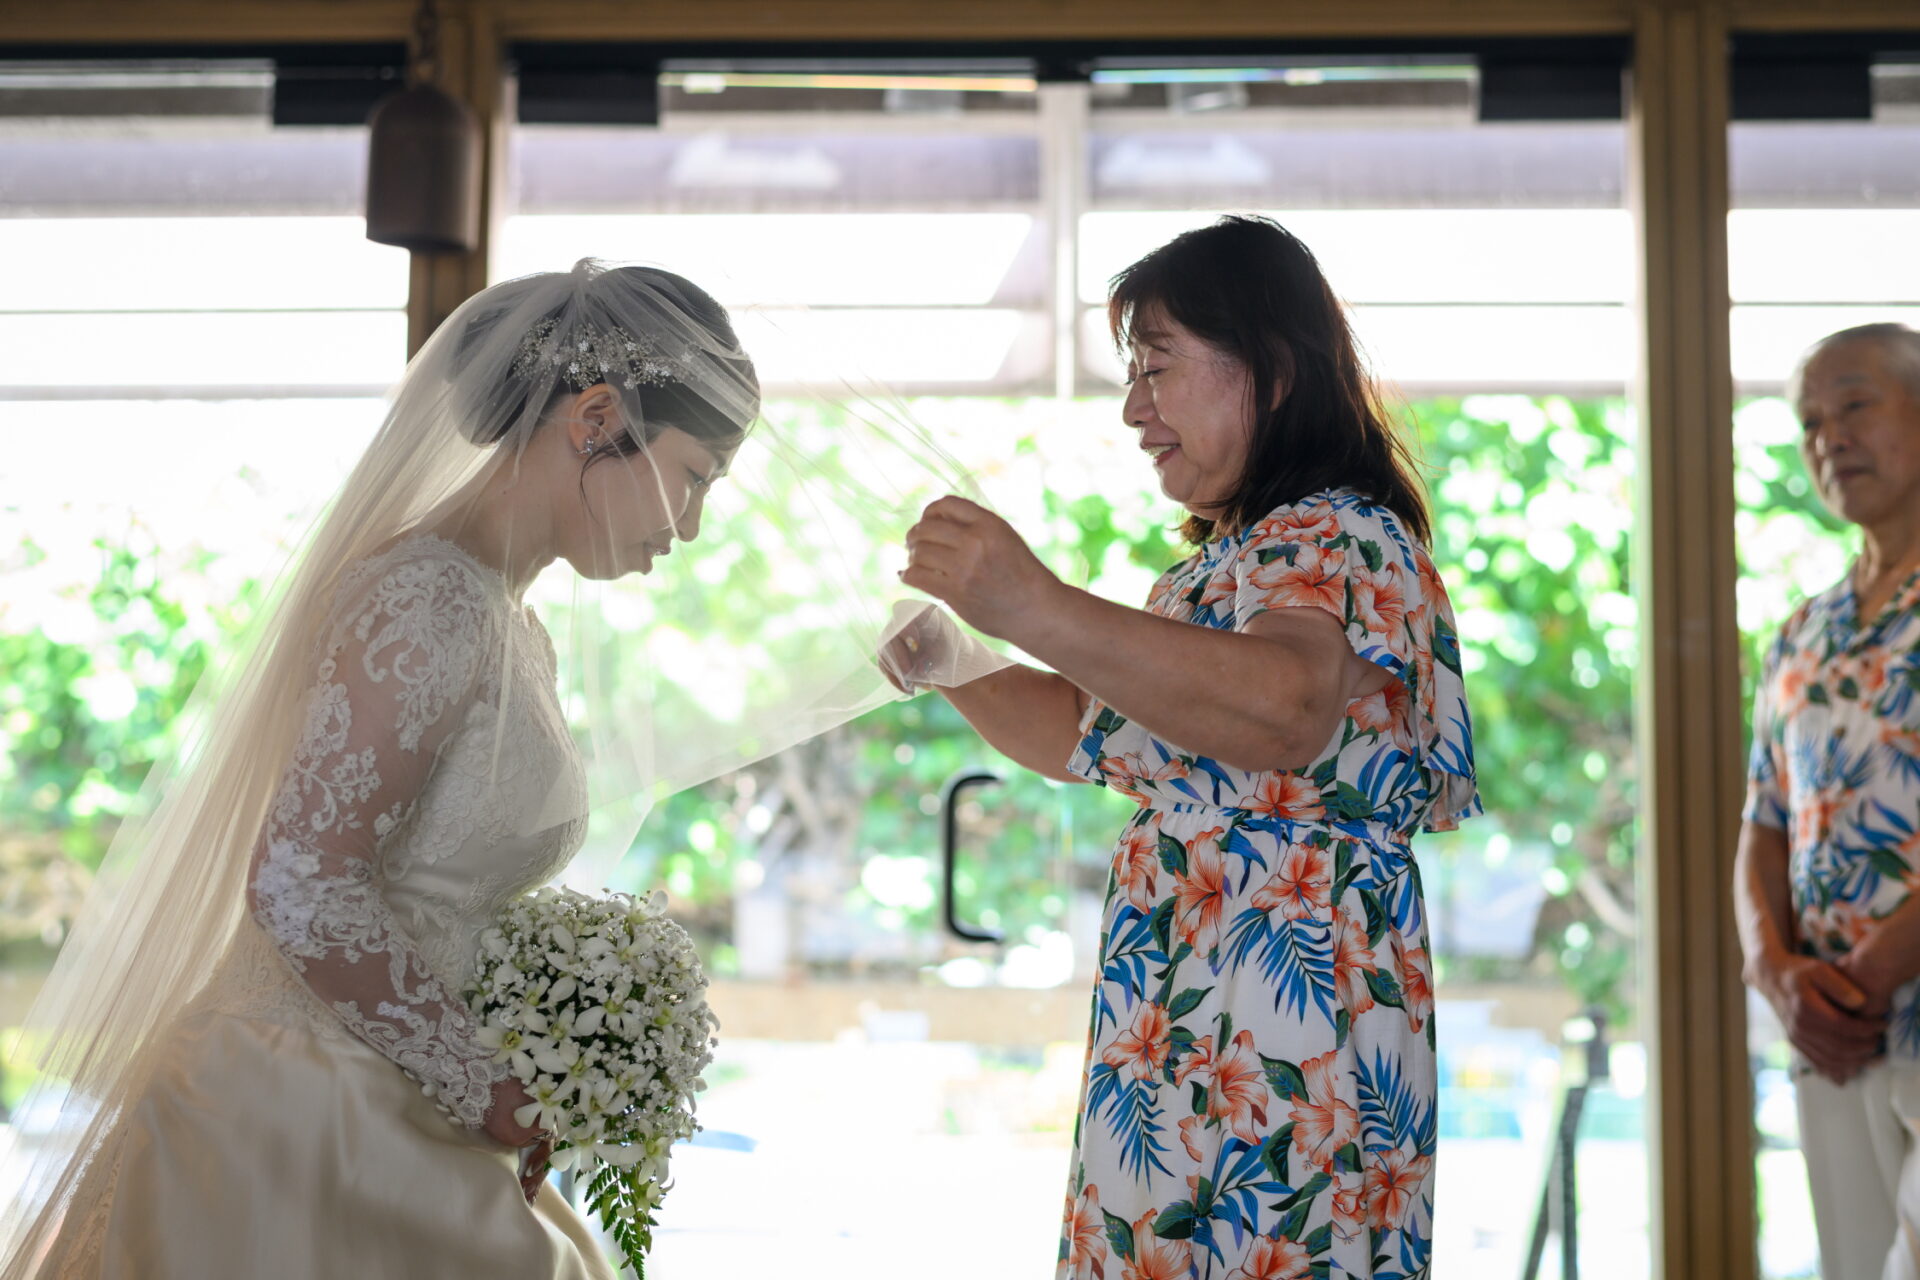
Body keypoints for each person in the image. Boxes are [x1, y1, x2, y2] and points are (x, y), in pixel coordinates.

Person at [1, 260, 960, 1279]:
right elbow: (301, 879)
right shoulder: (430, 599)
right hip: (302, 1115)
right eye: (696, 476)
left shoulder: (507, 619)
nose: (689, 526)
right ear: (596, 417)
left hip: (388, 1094)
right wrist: (486, 1083)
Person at [882, 216, 1479, 1279]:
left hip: (1285, 1009)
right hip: (1186, 1003)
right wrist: (953, 660)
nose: (1132, 407)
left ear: (1273, 371)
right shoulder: (1223, 562)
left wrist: (1033, 602)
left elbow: (1287, 705)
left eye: (1155, 366)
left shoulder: (1338, 530)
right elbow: (1084, 731)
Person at [1735, 321, 1920, 1280]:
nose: (1828, 437)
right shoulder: (1802, 632)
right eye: (1810, 421)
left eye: (1854, 404)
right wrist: (1773, 969)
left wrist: (1881, 966)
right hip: (1831, 1033)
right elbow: (1763, 821)